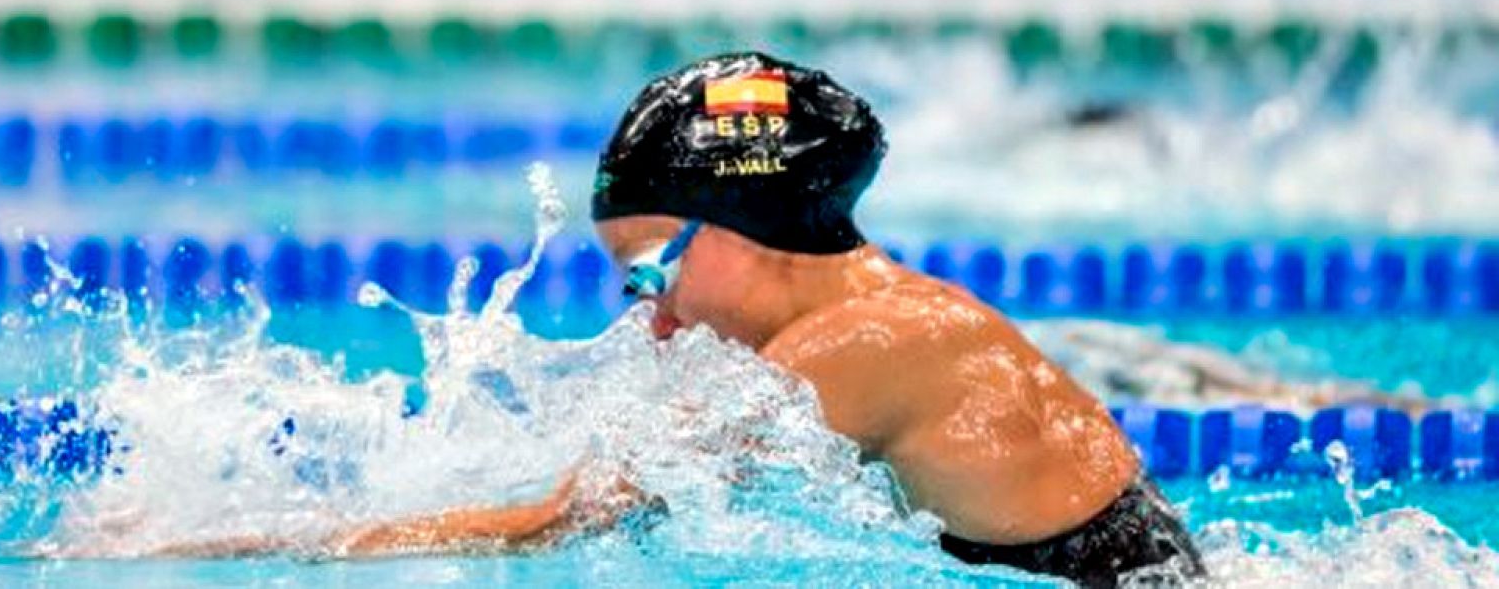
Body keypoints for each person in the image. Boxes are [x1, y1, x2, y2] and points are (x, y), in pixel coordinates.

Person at [133, 52, 1206, 587]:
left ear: (736, 226)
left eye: (649, 275)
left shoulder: (866, 344)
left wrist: (230, 548)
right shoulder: (874, 322)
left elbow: (572, 517)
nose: (650, 322)